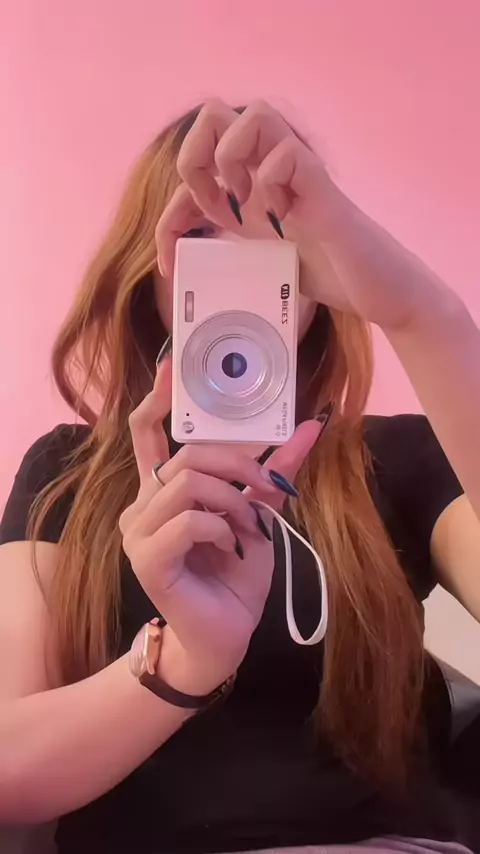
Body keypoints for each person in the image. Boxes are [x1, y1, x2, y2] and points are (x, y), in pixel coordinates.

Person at [0, 100, 479, 854]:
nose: (238, 261)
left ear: (319, 278)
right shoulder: (65, 473)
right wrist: (184, 664)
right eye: (198, 237)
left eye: (272, 233)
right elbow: (10, 766)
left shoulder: (397, 457)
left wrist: (423, 315)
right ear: (149, 273)